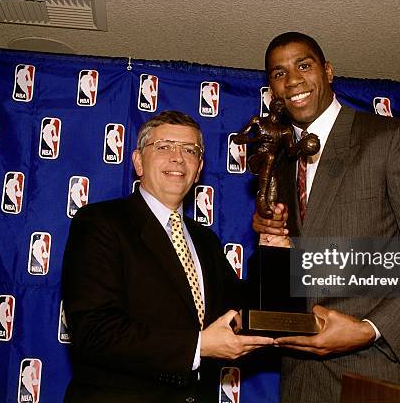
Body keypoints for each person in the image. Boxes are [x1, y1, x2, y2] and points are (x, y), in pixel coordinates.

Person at [253, 32, 400, 402]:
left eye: (304, 65)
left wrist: (370, 329)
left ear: (328, 71)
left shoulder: (390, 137)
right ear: (271, 89)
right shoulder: (281, 162)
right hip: (300, 380)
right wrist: (275, 246)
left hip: (374, 370)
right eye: (278, 73)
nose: (293, 80)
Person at [61, 110, 274, 402]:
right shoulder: (101, 223)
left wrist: (272, 248)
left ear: (199, 168)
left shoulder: (205, 240)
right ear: (138, 161)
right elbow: (94, 332)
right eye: (164, 147)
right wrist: (198, 347)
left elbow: (245, 312)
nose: (177, 157)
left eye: (189, 150)